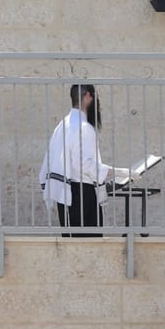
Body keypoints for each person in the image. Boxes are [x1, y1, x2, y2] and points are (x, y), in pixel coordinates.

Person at [39, 84, 130, 234]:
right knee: (89, 245)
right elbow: (83, 164)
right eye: (95, 97)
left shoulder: (61, 125)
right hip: (82, 194)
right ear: (87, 96)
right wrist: (115, 172)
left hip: (65, 194)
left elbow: (48, 161)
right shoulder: (84, 127)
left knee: (72, 243)